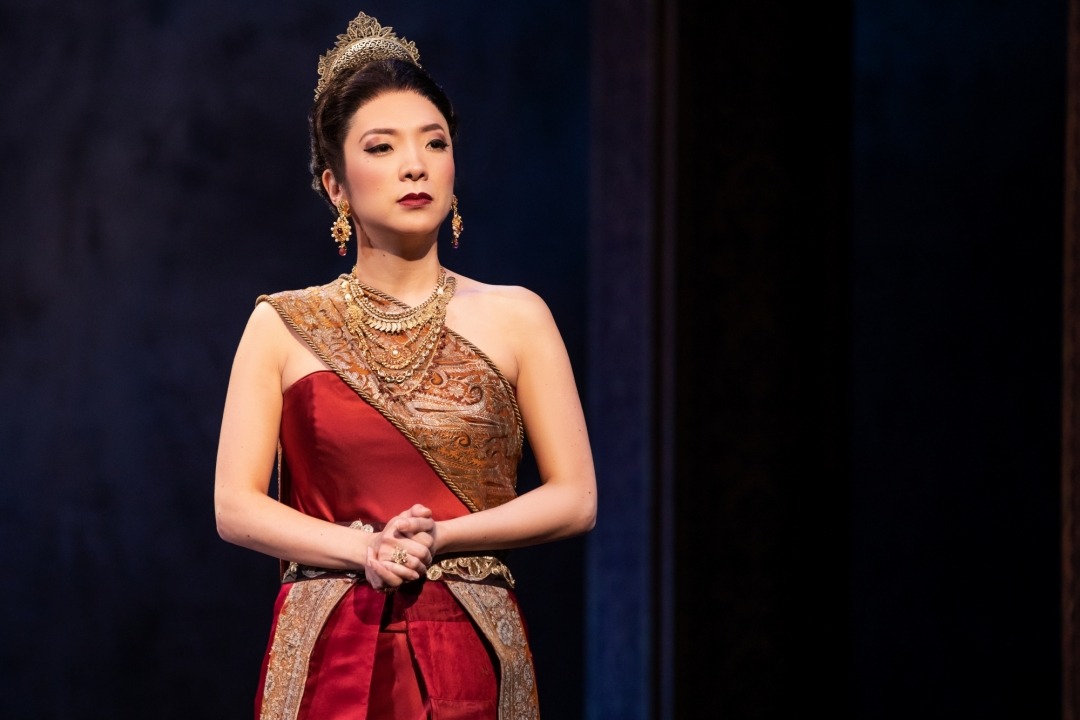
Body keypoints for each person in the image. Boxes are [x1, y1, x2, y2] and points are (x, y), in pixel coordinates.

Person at [213, 10, 597, 720]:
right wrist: (362, 550)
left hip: (470, 642)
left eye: (434, 142)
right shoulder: (283, 324)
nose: (414, 164)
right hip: (331, 639)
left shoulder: (517, 316)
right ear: (335, 185)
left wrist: (439, 536)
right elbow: (235, 507)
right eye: (382, 147)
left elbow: (575, 497)